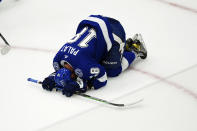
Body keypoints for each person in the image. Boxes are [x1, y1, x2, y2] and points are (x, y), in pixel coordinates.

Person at [42, 15, 147, 97]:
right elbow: (63, 70)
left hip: (113, 31)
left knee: (112, 71)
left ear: (73, 75)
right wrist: (52, 78)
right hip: (94, 25)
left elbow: (102, 77)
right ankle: (120, 50)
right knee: (95, 61)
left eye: (73, 78)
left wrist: (85, 86)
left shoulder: (83, 66)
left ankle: (135, 48)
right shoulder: (57, 59)